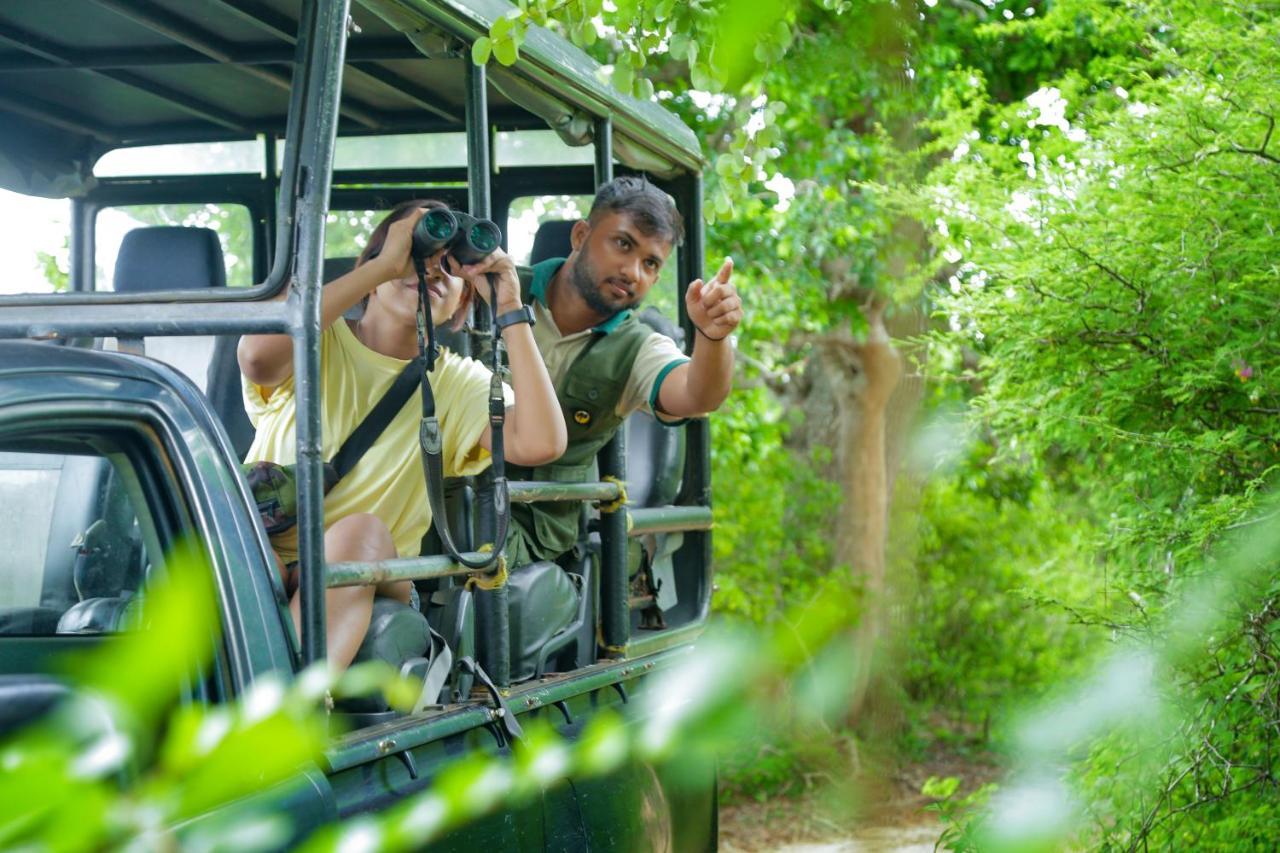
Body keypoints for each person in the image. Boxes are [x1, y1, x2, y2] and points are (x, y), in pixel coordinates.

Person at [238, 199, 566, 670]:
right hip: (268, 549)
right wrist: (383, 266)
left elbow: (541, 443)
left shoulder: (459, 383)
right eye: (415, 255)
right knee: (237, 547)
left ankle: (285, 709)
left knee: (359, 532)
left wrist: (511, 309)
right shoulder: (315, 338)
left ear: (462, 303)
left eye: (449, 268)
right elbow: (256, 358)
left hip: (369, 567)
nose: (430, 271)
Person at [456, 176, 742, 567]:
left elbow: (698, 395)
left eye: (650, 263)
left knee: (460, 528)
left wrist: (712, 336)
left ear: (656, 278)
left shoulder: (637, 347)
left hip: (528, 525)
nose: (632, 271)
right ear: (580, 236)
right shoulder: (495, 287)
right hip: (445, 487)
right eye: (623, 244)